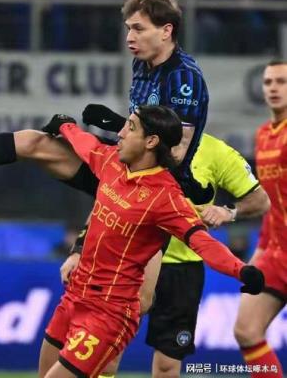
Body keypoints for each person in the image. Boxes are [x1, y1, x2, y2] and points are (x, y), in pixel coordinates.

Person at [0, 0, 213, 205]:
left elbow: (174, 152)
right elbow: (144, 133)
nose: (130, 37)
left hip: (155, 190)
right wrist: (108, 131)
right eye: (128, 28)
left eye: (139, 29)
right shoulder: (142, 64)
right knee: (34, 141)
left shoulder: (183, 78)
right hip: (124, 170)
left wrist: (104, 132)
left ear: (166, 31)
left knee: (128, 281)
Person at [37, 106, 263, 378]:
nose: (120, 132)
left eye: (130, 127)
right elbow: (88, 145)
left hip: (109, 311)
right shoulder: (111, 163)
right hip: (74, 296)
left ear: (151, 141)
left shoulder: (166, 198)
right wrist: (65, 126)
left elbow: (202, 242)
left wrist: (241, 270)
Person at [233, 60, 287, 378]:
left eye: (282, 82)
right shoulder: (264, 134)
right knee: (246, 330)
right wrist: (262, 249)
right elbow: (270, 203)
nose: (274, 88)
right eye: (268, 82)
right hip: (277, 252)